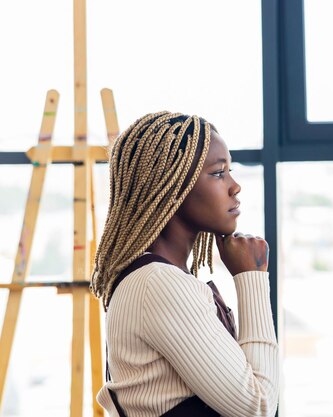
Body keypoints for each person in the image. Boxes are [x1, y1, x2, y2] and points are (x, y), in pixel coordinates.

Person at [90, 111, 278, 417]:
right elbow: (258, 407)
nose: (235, 186)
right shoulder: (160, 284)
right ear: (172, 185)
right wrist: (251, 278)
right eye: (219, 173)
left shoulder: (158, 277)